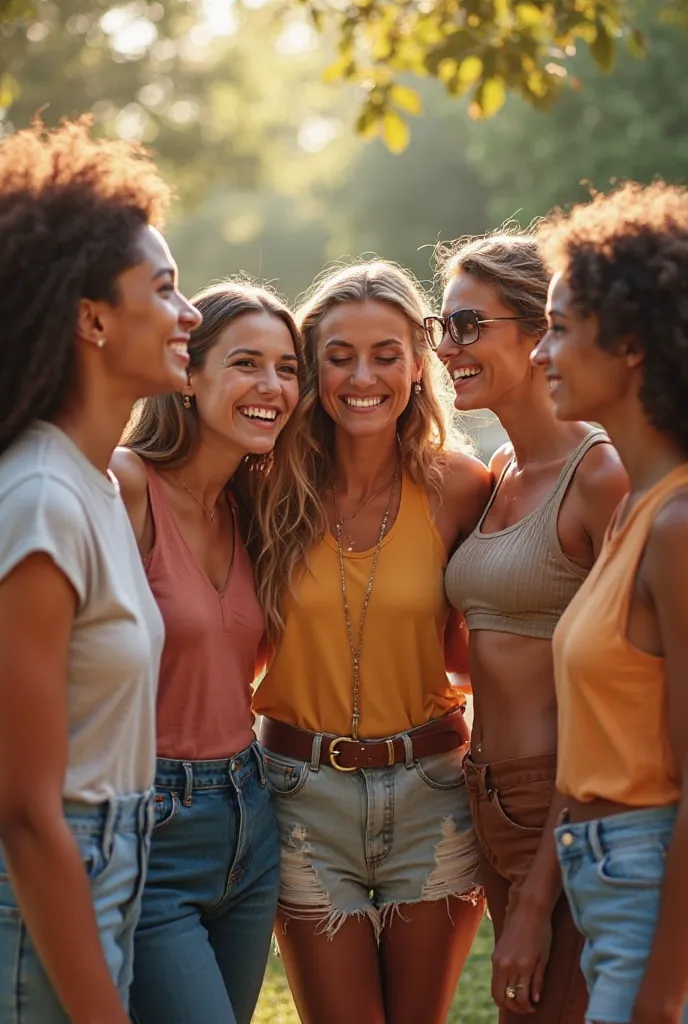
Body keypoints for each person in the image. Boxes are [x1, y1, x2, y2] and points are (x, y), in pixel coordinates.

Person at [252, 260, 491, 1024]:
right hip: (299, 791)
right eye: (339, 355)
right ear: (310, 366)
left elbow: (472, 641)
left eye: (386, 355)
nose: (364, 376)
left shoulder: (461, 486)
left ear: (418, 366)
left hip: (434, 791)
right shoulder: (260, 489)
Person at [0, 118, 200, 1024]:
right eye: (163, 289)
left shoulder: (92, 484)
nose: (189, 312)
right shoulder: (39, 497)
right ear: (90, 319)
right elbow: (22, 808)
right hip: (46, 880)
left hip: (113, 855)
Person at [432, 232, 628, 1021]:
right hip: (487, 797)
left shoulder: (599, 475)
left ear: (540, 330)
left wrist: (538, 896)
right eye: (442, 327)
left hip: (566, 805)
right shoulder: (503, 474)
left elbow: (615, 710)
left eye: (468, 326)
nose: (449, 348)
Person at [111, 281, 306, 1024]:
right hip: (150, 823)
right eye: (247, 363)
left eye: (288, 368)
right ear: (187, 377)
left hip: (251, 817)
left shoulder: (252, 504)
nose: (273, 387)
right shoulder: (125, 487)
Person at [535, 182, 688, 1024]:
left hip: (648, 879)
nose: (539, 353)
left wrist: (664, 992)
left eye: (558, 328)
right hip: (604, 876)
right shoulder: (634, 507)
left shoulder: (678, 526)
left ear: (629, 342)